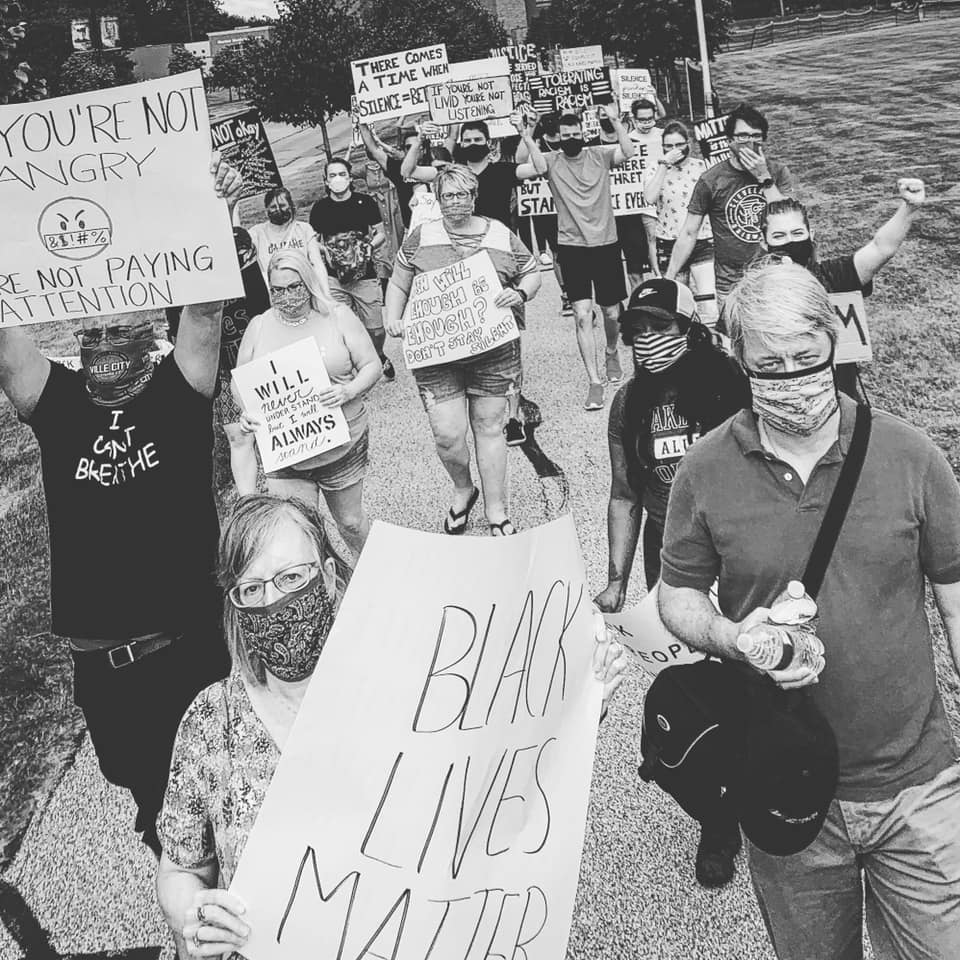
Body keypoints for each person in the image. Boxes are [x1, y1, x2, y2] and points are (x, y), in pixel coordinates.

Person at [156, 493, 628, 958]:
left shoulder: (406, 676)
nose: (274, 601)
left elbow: (494, 764)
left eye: (290, 577)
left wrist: (577, 704)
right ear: (235, 603)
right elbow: (180, 868)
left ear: (326, 574)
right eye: (252, 589)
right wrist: (191, 914)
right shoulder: (209, 721)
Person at [658, 262, 960, 959]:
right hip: (781, 783)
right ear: (739, 358)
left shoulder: (910, 456)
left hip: (918, 783)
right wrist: (734, 637)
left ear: (835, 340)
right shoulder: (704, 471)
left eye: (806, 358)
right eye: (771, 365)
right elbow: (676, 593)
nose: (792, 378)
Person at [0, 155, 243, 857]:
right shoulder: (57, 406)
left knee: (225, 805)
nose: (107, 343)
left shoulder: (179, 393)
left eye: (121, 331)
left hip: (193, 647)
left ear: (148, 339)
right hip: (108, 671)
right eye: (94, 334)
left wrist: (212, 215)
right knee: (158, 815)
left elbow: (205, 308)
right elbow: (8, 341)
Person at [383, 165, 542, 537]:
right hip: (438, 356)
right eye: (447, 195)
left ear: (474, 196)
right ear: (436, 199)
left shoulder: (501, 234)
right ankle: (462, 489)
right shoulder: (422, 236)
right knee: (448, 434)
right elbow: (398, 281)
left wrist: (519, 292)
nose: (454, 202)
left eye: (461, 194)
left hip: (493, 351)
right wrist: (393, 316)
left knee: (489, 428)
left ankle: (496, 508)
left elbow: (532, 273)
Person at [596, 277, 748, 607]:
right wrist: (616, 583)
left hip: (735, 544)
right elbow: (624, 496)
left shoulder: (729, 382)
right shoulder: (627, 403)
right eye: (639, 330)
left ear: (688, 328)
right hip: (668, 551)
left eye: (660, 326)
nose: (648, 339)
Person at [228, 250, 381, 557]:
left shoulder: (337, 316)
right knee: (299, 531)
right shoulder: (259, 326)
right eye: (277, 289)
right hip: (286, 453)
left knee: (350, 523)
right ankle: (321, 589)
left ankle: (372, 573)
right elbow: (240, 382)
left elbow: (371, 365)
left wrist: (349, 390)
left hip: (341, 444)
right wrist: (246, 412)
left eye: (294, 287)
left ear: (308, 283)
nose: (286, 296)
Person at [756, 179, 926, 396]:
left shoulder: (836, 275)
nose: (789, 242)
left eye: (797, 234)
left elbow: (882, 248)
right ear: (764, 242)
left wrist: (910, 208)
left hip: (840, 398)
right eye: (779, 236)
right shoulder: (754, 292)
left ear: (811, 235)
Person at [542, 106, 636, 410]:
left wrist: (615, 122)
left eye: (576, 134)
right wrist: (525, 131)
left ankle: (611, 350)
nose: (572, 139)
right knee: (582, 314)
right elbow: (525, 161)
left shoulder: (599, 154)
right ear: (558, 137)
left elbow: (629, 151)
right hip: (571, 247)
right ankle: (594, 382)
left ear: (584, 133)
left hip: (606, 243)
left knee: (611, 313)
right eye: (566, 135)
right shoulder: (552, 160)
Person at [665, 103, 794, 319]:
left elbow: (789, 219)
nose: (749, 142)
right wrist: (669, 276)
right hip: (731, 283)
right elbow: (689, 232)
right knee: (736, 344)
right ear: (729, 141)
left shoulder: (777, 172)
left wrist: (764, 178)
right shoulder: (712, 179)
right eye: (742, 136)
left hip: (775, 274)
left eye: (756, 135)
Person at [309, 158, 394, 382]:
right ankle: (357, 371)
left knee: (375, 328)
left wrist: (366, 247)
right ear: (326, 181)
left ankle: (378, 354)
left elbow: (381, 234)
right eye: (332, 175)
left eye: (341, 174)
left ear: (349, 177)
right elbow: (312, 240)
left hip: (364, 275)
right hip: (334, 279)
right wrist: (327, 250)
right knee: (342, 329)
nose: (337, 179)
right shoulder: (320, 208)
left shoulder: (364, 203)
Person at [400, 116, 548, 229]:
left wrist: (524, 134)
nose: (472, 144)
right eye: (467, 140)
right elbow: (408, 171)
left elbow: (540, 168)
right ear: (462, 144)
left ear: (488, 143)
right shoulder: (452, 172)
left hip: (499, 240)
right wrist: (420, 140)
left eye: (477, 139)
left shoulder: (504, 170)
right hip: (464, 243)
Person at [642, 120, 718, 327]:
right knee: (677, 304)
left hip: (702, 239)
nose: (674, 150)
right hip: (669, 241)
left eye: (679, 145)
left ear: (688, 144)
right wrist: (663, 166)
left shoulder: (701, 167)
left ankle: (711, 345)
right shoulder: (654, 168)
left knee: (709, 303)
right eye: (668, 146)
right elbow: (649, 197)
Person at [615, 98, 662, 292]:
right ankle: (653, 279)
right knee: (648, 239)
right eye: (642, 120)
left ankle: (662, 277)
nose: (646, 123)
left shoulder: (663, 135)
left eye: (650, 119)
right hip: (637, 201)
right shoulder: (629, 140)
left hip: (661, 195)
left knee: (661, 237)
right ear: (634, 119)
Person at [246, 187, 323, 284]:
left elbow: (317, 264)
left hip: (303, 285)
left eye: (282, 205)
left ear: (291, 206)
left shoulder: (304, 229)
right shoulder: (256, 233)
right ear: (267, 210)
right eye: (273, 207)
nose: (278, 210)